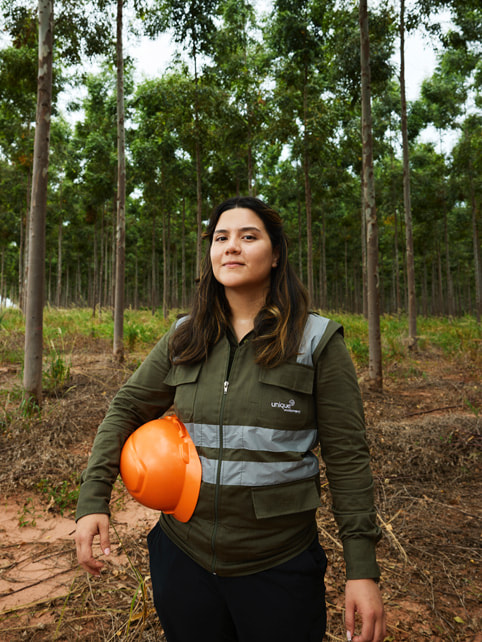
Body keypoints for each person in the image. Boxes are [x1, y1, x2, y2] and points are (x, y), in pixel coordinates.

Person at [75, 196, 386, 642]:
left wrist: (362, 570)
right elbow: (126, 407)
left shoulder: (317, 341)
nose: (232, 247)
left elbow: (348, 458)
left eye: (248, 236)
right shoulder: (185, 336)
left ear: (276, 254)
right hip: (183, 561)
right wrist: (93, 500)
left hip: (277, 567)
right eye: (221, 237)